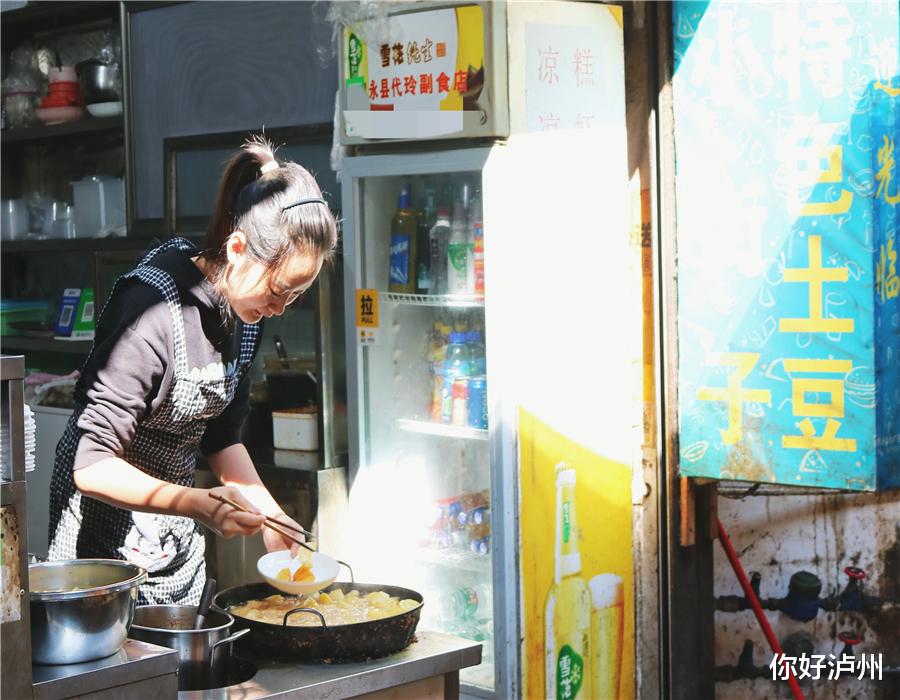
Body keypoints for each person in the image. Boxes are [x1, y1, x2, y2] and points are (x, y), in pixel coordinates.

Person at [47, 136, 338, 605]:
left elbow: (221, 435)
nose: (281, 309)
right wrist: (195, 503)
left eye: (296, 295)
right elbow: (91, 463)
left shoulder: (248, 311)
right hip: (100, 545)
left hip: (172, 536)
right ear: (238, 248)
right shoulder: (151, 309)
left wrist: (269, 514)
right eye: (279, 290)